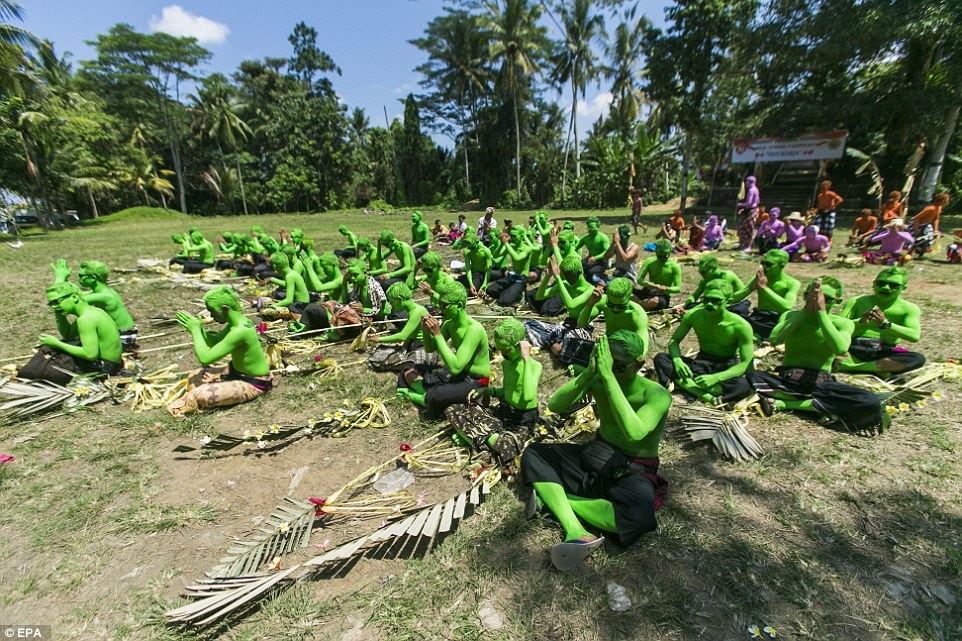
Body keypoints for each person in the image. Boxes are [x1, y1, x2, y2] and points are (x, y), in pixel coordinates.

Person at [521, 332, 670, 571]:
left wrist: (609, 377)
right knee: (534, 453)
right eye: (607, 362)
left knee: (639, 519)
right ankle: (575, 530)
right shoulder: (597, 377)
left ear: (640, 363)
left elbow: (635, 432)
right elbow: (554, 406)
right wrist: (590, 373)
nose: (611, 370)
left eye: (619, 366)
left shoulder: (656, 394)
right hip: (597, 457)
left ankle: (556, 500)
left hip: (632, 468)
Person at [750, 278, 887, 433]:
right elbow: (775, 339)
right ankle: (814, 405)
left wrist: (822, 314)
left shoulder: (842, 323)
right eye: (811, 296)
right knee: (744, 378)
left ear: (837, 301)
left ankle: (787, 403)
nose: (817, 301)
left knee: (870, 401)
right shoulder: (791, 316)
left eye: (826, 299)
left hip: (820, 384)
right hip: (787, 379)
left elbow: (840, 349)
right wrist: (804, 312)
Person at [445, 318, 542, 466]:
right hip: (503, 412)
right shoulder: (507, 363)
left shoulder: (534, 366)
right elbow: (508, 391)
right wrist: (487, 391)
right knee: (453, 409)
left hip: (521, 421)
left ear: (520, 346)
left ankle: (476, 438)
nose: (503, 355)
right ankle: (484, 440)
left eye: (507, 350)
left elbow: (528, 395)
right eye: (500, 350)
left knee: (508, 445)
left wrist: (526, 360)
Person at [167, 286, 272, 417]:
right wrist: (199, 330)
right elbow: (215, 341)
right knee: (194, 376)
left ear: (224, 309)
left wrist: (195, 331)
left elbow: (205, 358)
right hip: (235, 372)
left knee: (199, 395)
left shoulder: (240, 331)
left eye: (212, 311)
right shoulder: (238, 323)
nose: (211, 315)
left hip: (254, 383)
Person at [397, 280, 490, 419]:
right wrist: (427, 332)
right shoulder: (450, 324)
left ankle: (422, 397)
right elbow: (430, 349)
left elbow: (455, 368)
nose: (440, 309)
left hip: (475, 381)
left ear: (458, 305)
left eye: (444, 305)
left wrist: (437, 334)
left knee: (437, 395)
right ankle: (430, 395)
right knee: (409, 371)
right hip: (458, 374)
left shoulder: (474, 329)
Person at [654, 280, 754, 406]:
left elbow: (747, 364)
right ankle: (708, 395)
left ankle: (688, 386)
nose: (709, 305)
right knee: (662, 359)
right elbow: (674, 341)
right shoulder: (694, 315)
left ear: (728, 302)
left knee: (743, 385)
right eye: (705, 300)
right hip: (701, 363)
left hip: (725, 367)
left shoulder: (741, 326)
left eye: (716, 301)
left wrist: (716, 378)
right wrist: (677, 361)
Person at [19, 282, 124, 385]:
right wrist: (59, 314)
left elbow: (90, 354)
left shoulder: (86, 320)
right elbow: (68, 334)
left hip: (103, 368)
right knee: (53, 349)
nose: (54, 307)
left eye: (57, 302)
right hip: (113, 364)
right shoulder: (93, 311)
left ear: (74, 297)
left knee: (35, 369)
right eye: (51, 304)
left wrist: (57, 343)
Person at [836, 266, 924, 376]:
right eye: (881, 283)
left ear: (903, 288)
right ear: (873, 284)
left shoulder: (909, 308)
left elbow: (914, 336)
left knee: (917, 358)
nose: (886, 288)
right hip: (851, 348)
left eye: (894, 286)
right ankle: (875, 369)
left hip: (883, 352)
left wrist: (885, 324)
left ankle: (853, 366)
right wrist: (860, 322)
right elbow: (836, 328)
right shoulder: (857, 301)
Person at [52, 259, 138, 351]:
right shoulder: (106, 292)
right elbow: (74, 295)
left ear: (93, 278)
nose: (78, 279)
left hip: (123, 336)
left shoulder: (105, 297)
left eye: (81, 276)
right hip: (126, 332)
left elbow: (62, 298)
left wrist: (60, 279)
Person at [523, 254, 595, 357]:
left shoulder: (589, 289)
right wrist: (548, 276)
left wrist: (558, 278)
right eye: (566, 275)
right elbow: (539, 296)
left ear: (580, 272)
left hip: (582, 328)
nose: (569, 279)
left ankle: (554, 342)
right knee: (527, 324)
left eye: (571, 275)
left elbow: (571, 305)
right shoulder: (565, 284)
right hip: (568, 325)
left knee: (563, 350)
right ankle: (554, 342)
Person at [729, 249, 799, 341]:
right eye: (762, 263)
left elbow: (787, 306)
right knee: (732, 310)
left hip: (776, 318)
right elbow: (732, 299)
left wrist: (764, 288)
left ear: (782, 266)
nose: (764, 267)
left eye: (769, 264)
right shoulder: (759, 278)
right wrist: (750, 288)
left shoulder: (791, 283)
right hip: (759, 315)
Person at [367, 282, 439, 372]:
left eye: (392, 302)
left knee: (414, 363)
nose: (392, 305)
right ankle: (402, 364)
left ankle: (400, 366)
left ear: (400, 299)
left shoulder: (417, 312)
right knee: (377, 356)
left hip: (422, 347)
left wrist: (379, 339)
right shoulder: (411, 311)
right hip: (411, 345)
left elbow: (403, 336)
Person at [578, 277, 649, 356]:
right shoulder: (601, 302)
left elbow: (643, 342)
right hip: (610, 340)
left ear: (630, 297)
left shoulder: (636, 313)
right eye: (611, 305)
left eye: (621, 306)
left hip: (627, 346)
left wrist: (636, 358)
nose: (615, 309)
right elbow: (581, 324)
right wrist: (589, 305)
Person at [484, 227, 532, 307]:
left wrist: (506, 244)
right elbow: (496, 255)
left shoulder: (527, 249)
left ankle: (518, 295)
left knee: (504, 302)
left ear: (521, 236)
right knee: (490, 290)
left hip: (521, 279)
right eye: (511, 236)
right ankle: (510, 295)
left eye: (514, 236)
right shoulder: (511, 246)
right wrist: (502, 245)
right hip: (511, 277)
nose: (512, 238)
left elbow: (517, 258)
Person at [636, 239, 682, 311]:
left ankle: (638, 304)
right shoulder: (649, 261)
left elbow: (678, 288)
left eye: (665, 256)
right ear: (656, 251)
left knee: (655, 301)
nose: (662, 258)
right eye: (659, 256)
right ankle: (643, 304)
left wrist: (666, 288)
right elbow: (639, 279)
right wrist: (648, 284)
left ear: (670, 252)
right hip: (648, 291)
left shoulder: (674, 266)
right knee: (628, 292)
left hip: (662, 296)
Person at [263, 252, 310, 319]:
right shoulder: (292, 273)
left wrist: (273, 306)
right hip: (301, 304)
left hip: (300, 307)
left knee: (267, 312)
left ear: (275, 266)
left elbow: (289, 300)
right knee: (266, 303)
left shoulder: (289, 277)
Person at [452, 233, 493, 297]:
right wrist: (471, 284)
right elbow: (468, 269)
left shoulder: (485, 251)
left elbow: (488, 270)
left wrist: (484, 285)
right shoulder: (467, 251)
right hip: (472, 273)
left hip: (481, 274)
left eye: (472, 247)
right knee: (454, 285)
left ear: (476, 242)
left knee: (469, 292)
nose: (470, 249)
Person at [910, 192, 949, 257]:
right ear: (943, 200)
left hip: (926, 225)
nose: (948, 201)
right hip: (916, 224)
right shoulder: (931, 208)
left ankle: (920, 253)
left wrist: (935, 230)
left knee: (929, 238)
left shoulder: (939, 207)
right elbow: (916, 218)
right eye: (947, 200)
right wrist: (916, 231)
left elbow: (936, 219)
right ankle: (910, 252)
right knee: (918, 239)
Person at [577, 216, 611, 283]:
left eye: (592, 228)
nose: (590, 230)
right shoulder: (585, 238)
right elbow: (576, 247)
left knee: (592, 272)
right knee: (578, 267)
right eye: (589, 228)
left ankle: (604, 280)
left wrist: (595, 258)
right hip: (590, 258)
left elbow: (607, 252)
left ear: (598, 227)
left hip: (601, 260)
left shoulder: (603, 238)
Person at [735, 176, 761, 252]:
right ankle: (741, 243)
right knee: (741, 226)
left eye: (746, 182)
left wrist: (740, 204)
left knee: (748, 228)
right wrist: (744, 209)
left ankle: (748, 246)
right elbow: (757, 201)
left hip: (752, 210)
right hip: (751, 209)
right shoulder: (756, 190)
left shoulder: (751, 190)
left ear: (749, 182)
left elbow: (749, 203)